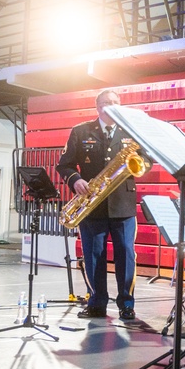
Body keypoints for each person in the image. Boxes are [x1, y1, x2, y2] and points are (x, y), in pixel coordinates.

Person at [56, 90, 138, 321]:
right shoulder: (80, 131)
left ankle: (127, 304)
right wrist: (76, 180)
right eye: (105, 103)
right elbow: (65, 165)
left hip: (123, 204)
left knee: (126, 255)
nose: (110, 106)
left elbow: (146, 159)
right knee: (94, 256)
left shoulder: (132, 130)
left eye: (115, 102)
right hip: (92, 204)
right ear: (97, 106)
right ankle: (97, 302)